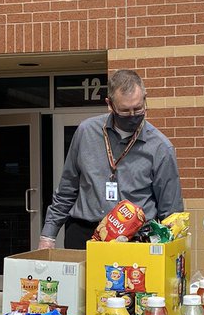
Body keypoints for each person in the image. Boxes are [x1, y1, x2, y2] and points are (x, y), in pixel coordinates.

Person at [38, 69, 183, 250]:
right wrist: (48, 235)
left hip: (135, 238)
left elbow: (171, 211)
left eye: (138, 108)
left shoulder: (161, 147)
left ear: (145, 99)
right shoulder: (86, 132)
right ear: (110, 104)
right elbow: (67, 188)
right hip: (84, 233)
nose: (132, 116)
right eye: (124, 111)